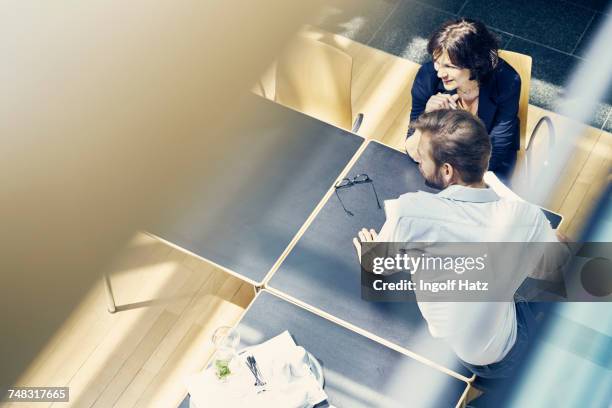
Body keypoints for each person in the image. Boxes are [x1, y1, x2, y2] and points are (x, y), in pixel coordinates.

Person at [355, 110, 567, 391]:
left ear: (446, 170)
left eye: (422, 156)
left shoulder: (410, 213)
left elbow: (376, 265)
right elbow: (552, 266)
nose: (417, 159)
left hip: (496, 359)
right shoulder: (525, 216)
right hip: (496, 348)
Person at [405, 18, 521, 181]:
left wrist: (456, 179)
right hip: (444, 159)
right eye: (437, 63)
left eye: (450, 67)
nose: (440, 73)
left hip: (488, 165)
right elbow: (412, 150)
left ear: (475, 65)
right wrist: (427, 117)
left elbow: (497, 151)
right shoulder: (427, 77)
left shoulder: (507, 82)